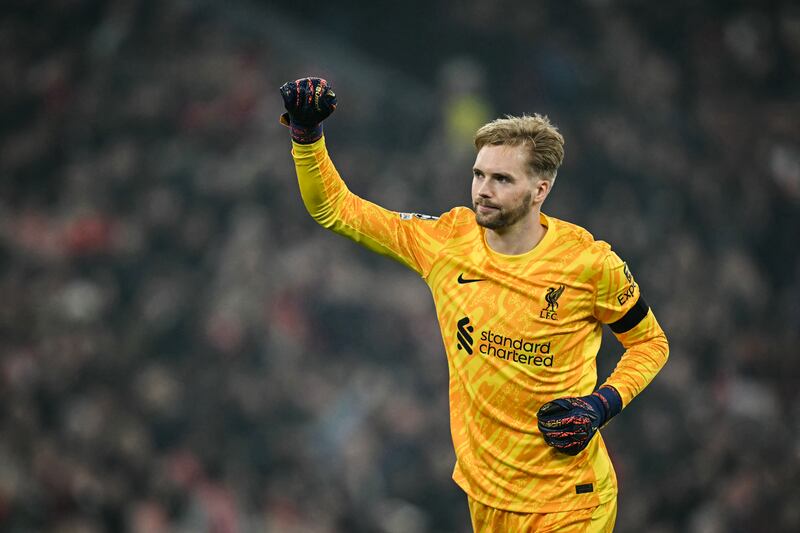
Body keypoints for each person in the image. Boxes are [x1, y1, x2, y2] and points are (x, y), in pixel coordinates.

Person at [279, 77, 668, 532]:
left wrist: (601, 404)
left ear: (539, 190)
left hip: (569, 503)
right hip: (486, 496)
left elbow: (650, 343)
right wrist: (307, 137)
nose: (483, 189)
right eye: (479, 174)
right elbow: (335, 209)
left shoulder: (589, 264)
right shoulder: (447, 242)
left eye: (501, 179)